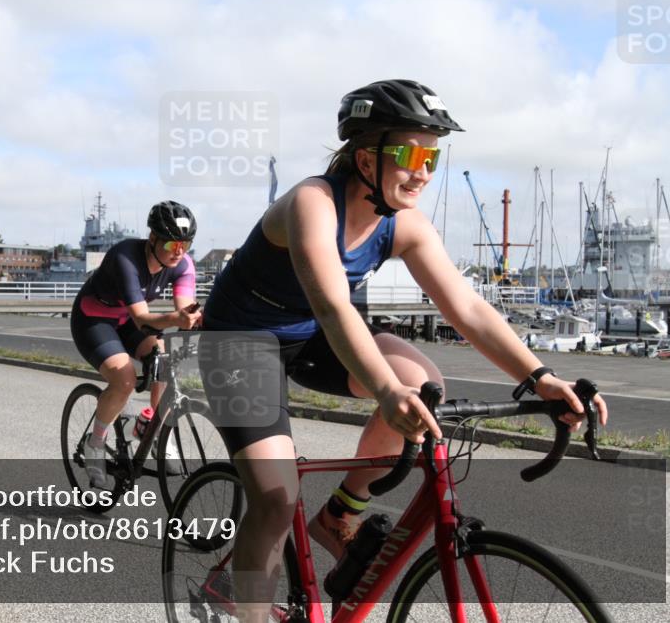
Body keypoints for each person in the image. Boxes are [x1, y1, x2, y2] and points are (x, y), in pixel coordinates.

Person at [198, 79, 609, 619]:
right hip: (241, 345)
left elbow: (468, 308)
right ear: (366, 158)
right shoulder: (312, 204)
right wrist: (383, 389)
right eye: (411, 155)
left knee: (420, 382)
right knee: (276, 499)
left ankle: (340, 514)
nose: (422, 171)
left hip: (314, 342)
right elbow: (334, 307)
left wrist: (540, 377)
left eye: (432, 159)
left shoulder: (405, 225)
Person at [70, 201, 203, 487]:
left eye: (186, 244)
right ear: (153, 239)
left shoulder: (183, 264)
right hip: (94, 320)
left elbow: (185, 309)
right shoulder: (125, 258)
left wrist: (192, 318)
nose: (178, 252)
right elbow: (143, 317)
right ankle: (95, 444)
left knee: (165, 362)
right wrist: (176, 319)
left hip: (128, 321)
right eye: (171, 245)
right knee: (125, 380)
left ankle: (154, 432)